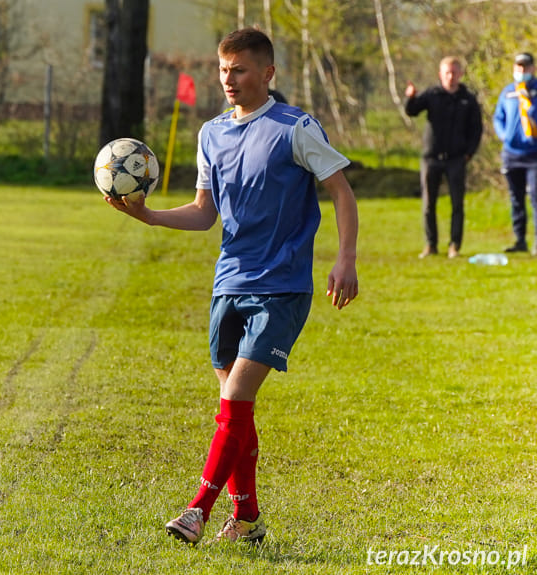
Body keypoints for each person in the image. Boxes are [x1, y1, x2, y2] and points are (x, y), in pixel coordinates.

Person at [105, 27, 359, 545]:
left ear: (267, 73)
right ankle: (247, 521)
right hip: (229, 284)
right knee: (234, 407)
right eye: (223, 70)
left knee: (237, 394)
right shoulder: (210, 134)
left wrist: (345, 259)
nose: (229, 80)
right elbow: (204, 214)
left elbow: (340, 190)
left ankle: (198, 509)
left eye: (240, 70)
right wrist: (149, 215)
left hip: (282, 286)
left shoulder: (295, 127)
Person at [404, 57, 483, 259]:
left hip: (457, 159)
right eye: (447, 72)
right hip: (431, 158)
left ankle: (454, 245)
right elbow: (412, 111)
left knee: (457, 204)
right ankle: (431, 245)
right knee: (428, 204)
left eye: (454, 72)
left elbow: (477, 129)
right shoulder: (432, 94)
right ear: (441, 74)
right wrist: (410, 98)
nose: (451, 76)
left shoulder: (468, 99)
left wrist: (468, 154)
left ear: (461, 74)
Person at [493, 52, 537, 254]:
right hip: (511, 154)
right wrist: (504, 136)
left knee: (535, 197)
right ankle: (520, 241)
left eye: (525, 67)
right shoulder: (507, 92)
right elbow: (498, 118)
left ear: (532, 69)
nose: (521, 71)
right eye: (518, 67)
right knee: (516, 198)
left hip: (533, 154)